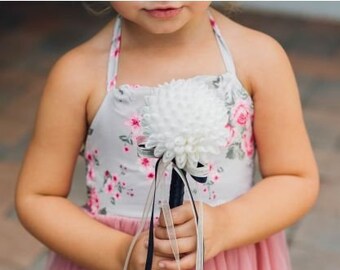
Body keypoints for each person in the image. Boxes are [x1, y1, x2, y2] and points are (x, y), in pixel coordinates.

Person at [15, 2, 319, 270]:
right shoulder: (78, 73)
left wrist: (227, 225)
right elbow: (37, 197)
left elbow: (294, 177)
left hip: (229, 255)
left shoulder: (259, 58)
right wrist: (118, 252)